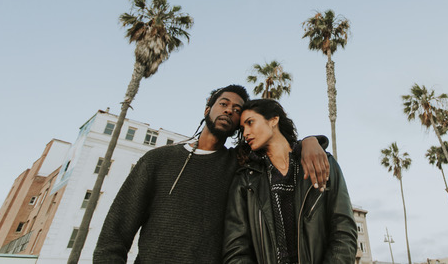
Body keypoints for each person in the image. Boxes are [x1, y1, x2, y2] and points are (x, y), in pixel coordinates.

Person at [93, 85, 329, 263]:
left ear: (239, 125)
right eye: (223, 104)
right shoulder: (158, 160)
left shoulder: (241, 166)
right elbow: (114, 235)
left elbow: (276, 148)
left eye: (237, 110)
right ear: (208, 109)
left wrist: (310, 142)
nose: (229, 110)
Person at [223, 99, 358, 264]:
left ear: (274, 119)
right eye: (243, 128)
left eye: (250, 123)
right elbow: (236, 249)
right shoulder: (245, 179)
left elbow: (343, 229)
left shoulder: (322, 162)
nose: (245, 133)